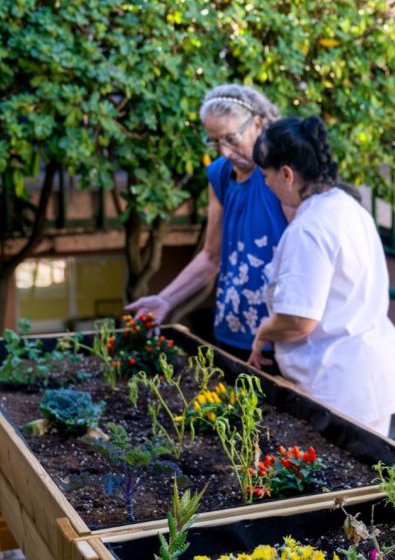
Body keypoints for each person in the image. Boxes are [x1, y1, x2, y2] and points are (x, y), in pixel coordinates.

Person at [247, 116, 395, 437]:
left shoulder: (310, 229)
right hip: (367, 375)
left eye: (266, 176)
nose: (266, 184)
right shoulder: (347, 207)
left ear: (287, 174)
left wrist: (264, 332)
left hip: (338, 387)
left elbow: (299, 320)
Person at [125, 84, 294, 362]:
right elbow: (211, 256)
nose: (225, 151)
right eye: (215, 142)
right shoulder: (219, 175)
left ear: (257, 124)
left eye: (231, 138)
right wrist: (165, 299)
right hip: (230, 331)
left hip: (275, 340)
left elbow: (298, 256)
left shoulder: (280, 175)